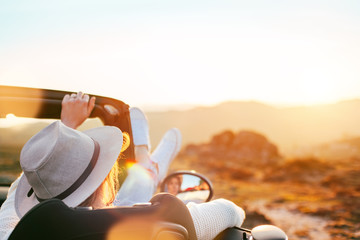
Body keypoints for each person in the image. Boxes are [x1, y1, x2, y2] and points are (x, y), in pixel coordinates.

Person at [0, 92, 245, 240]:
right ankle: (148, 167)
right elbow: (229, 210)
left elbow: (17, 193)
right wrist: (67, 127)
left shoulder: (14, 234)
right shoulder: (158, 223)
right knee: (125, 202)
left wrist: (58, 142)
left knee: (126, 199)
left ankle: (148, 167)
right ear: (104, 181)